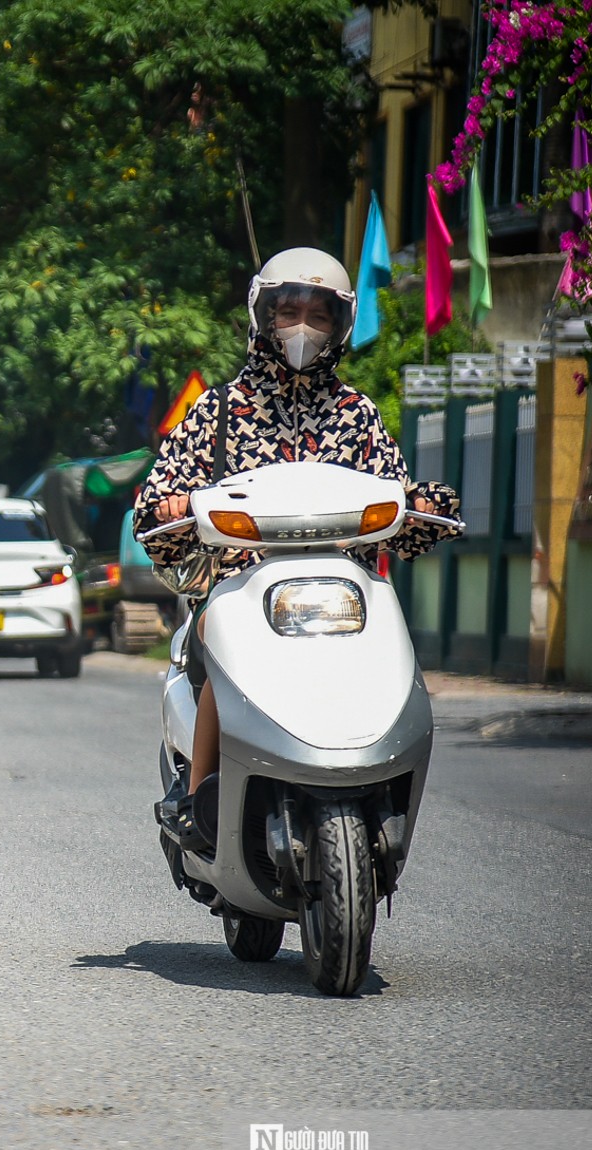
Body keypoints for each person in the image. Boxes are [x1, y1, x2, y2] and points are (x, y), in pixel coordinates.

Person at [132, 247, 461, 840]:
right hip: (238, 590)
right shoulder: (219, 411)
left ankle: (386, 783)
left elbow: (396, 493)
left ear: (340, 325)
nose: (303, 327)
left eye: (319, 314)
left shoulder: (358, 414)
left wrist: (424, 506)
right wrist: (173, 507)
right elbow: (154, 507)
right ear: (263, 314)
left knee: (392, 631)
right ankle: (198, 799)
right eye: (289, 310)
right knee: (224, 633)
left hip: (344, 594)